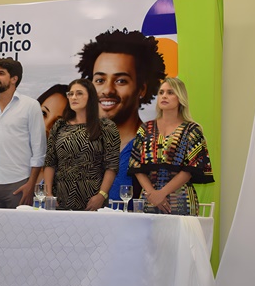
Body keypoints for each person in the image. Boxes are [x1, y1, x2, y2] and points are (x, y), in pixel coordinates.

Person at [76, 29, 166, 207]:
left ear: (142, 89)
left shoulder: (153, 142)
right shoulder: (81, 140)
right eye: (100, 80)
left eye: (120, 81)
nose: (108, 90)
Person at [129, 77, 214, 215]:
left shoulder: (192, 130)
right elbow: (135, 165)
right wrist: (152, 194)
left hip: (182, 201)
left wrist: (162, 193)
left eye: (170, 92)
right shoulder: (145, 129)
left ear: (180, 97)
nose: (164, 96)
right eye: (161, 92)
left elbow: (191, 168)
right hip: (149, 200)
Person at [0, 57, 46, 208]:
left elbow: (39, 151)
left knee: (19, 224)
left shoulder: (31, 106)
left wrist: (31, 184)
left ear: (14, 79)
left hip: (19, 183)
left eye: (1, 73)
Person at [44, 79, 120, 211]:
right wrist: (49, 194)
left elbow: (111, 165)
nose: (73, 97)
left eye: (79, 93)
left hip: (93, 199)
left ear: (90, 97)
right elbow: (50, 162)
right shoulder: (60, 126)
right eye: (70, 94)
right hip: (60, 199)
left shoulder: (106, 126)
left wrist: (101, 195)